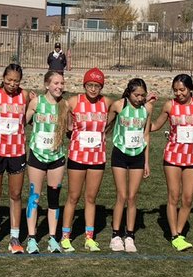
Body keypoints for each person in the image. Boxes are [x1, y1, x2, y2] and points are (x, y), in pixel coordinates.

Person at [150, 73, 193, 250]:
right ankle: (174, 234)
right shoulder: (169, 105)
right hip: (173, 156)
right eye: (175, 90)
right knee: (174, 196)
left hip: (192, 157)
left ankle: (179, 233)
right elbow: (155, 126)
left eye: (182, 90)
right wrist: (145, 111)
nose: (179, 93)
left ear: (190, 88)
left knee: (188, 198)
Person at [0, 63, 29, 254]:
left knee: (15, 195)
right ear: (3, 78)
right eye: (9, 80)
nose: (12, 84)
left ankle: (14, 237)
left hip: (17, 151)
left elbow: (26, 118)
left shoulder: (25, 96)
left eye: (16, 81)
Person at [60, 67, 109, 253]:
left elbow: (118, 113)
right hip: (77, 156)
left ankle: (89, 237)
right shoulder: (74, 101)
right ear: (84, 85)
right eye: (90, 85)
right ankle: (66, 237)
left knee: (91, 198)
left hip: (97, 157)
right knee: (73, 197)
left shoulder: (106, 102)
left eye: (97, 86)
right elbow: (62, 115)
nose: (93, 89)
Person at [107, 77, 153, 253]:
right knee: (122, 195)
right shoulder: (119, 105)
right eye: (136, 95)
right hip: (120, 153)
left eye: (142, 95)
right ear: (129, 93)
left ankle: (130, 235)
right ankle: (116, 235)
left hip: (138, 156)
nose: (139, 98)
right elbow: (106, 124)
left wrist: (146, 161)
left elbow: (146, 134)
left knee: (133, 197)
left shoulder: (147, 109)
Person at [25, 69, 68, 254]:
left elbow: (69, 128)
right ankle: (31, 238)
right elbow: (24, 121)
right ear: (47, 85)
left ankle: (52, 238)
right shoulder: (37, 102)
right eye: (56, 83)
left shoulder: (65, 105)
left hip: (57, 157)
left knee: (54, 198)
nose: (59, 86)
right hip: (37, 155)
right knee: (34, 197)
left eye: (62, 83)